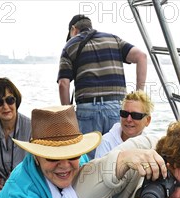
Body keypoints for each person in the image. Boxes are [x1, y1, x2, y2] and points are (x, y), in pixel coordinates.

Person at [57, 14, 147, 157]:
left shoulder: (70, 45)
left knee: (88, 162)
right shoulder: (113, 39)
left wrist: (68, 114)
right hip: (115, 107)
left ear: (73, 30)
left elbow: (63, 84)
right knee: (118, 158)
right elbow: (141, 56)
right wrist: (138, 97)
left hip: (87, 110)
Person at [95, 90, 153, 158]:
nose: (128, 119)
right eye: (124, 114)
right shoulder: (106, 142)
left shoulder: (150, 145)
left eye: (135, 115)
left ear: (148, 120)